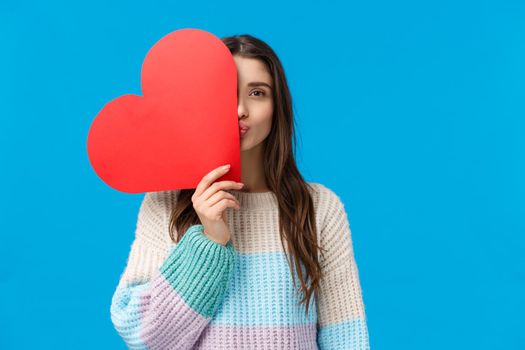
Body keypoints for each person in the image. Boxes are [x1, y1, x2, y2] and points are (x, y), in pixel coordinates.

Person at [110, 33, 370, 349]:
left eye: (258, 93)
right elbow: (144, 337)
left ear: (278, 107)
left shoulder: (319, 206)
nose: (239, 110)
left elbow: (346, 336)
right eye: (224, 92)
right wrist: (210, 240)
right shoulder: (166, 202)